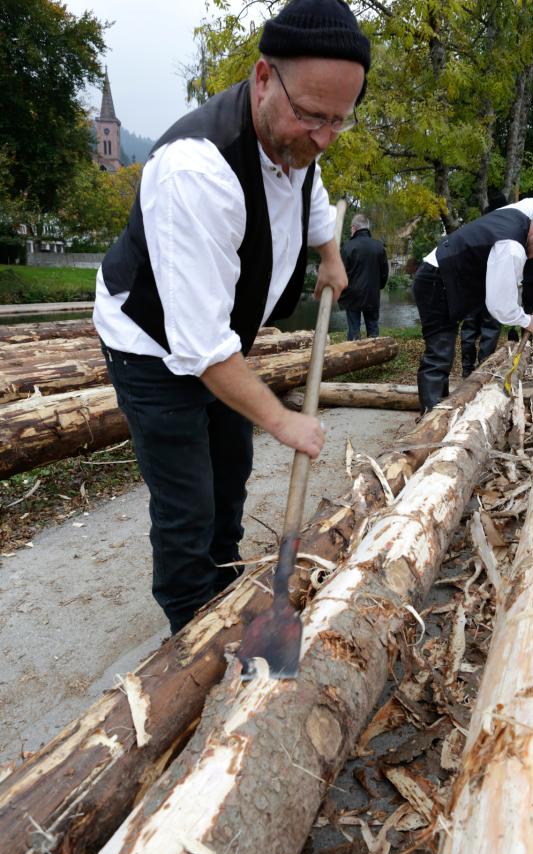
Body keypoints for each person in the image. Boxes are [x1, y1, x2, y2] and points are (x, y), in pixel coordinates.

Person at [92, 0, 371, 634]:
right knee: (187, 499)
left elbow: (314, 192)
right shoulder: (197, 171)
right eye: (312, 116)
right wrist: (282, 420)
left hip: (219, 338)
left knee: (230, 470)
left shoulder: (298, 134)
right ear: (264, 77)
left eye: (339, 121)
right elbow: (201, 349)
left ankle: (225, 588)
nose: (324, 137)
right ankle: (191, 637)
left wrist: (329, 254)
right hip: (152, 343)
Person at [412, 196, 533, 413]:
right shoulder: (512, 248)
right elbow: (500, 306)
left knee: (443, 351)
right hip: (436, 279)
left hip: (445, 276)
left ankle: (438, 408)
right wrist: (526, 320)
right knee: (439, 353)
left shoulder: (523, 214)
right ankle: (430, 420)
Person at [459, 190, 507, 378]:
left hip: (473, 284)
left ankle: (467, 368)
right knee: (489, 326)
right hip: (490, 284)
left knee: (471, 327)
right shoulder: (505, 230)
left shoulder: (476, 227)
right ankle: (482, 368)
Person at [338, 213, 388, 339]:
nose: (350, 230)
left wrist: (341, 293)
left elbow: (340, 273)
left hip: (352, 295)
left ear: (354, 228)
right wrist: (379, 286)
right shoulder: (379, 246)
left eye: (350, 228)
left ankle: (354, 353)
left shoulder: (347, 246)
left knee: (354, 331)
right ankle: (375, 353)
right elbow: (384, 272)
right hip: (372, 294)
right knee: (373, 329)